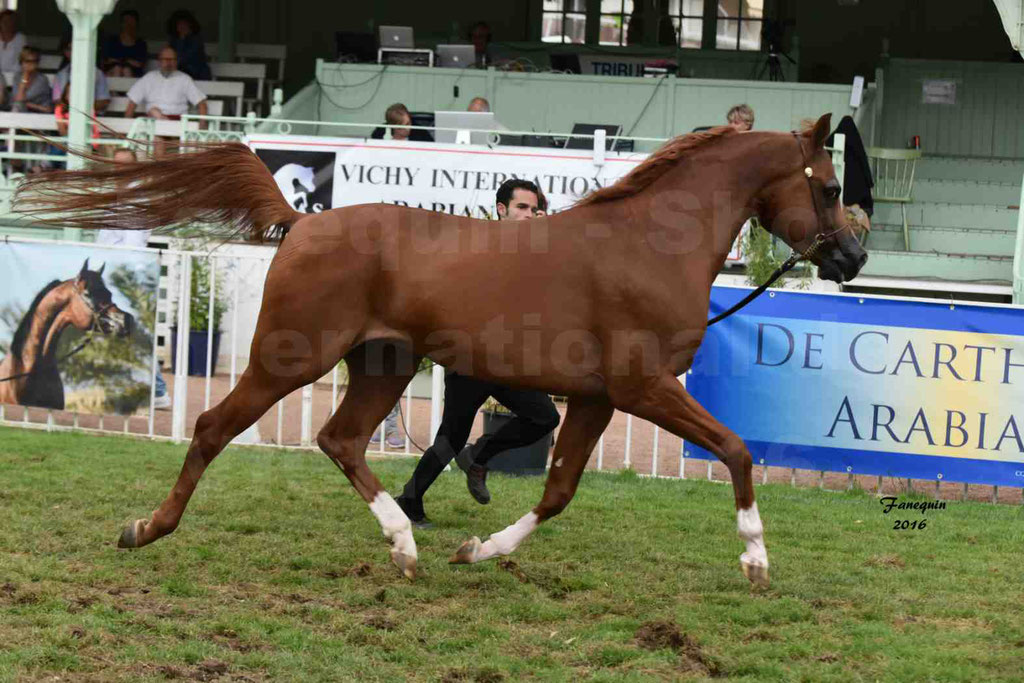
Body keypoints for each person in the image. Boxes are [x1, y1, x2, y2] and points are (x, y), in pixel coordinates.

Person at [395, 179, 561, 528]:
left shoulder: (535, 250)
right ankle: (409, 501)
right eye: (522, 208)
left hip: (505, 362)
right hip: (470, 358)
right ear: (502, 210)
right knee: (450, 437)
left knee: (544, 418)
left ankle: (479, 455)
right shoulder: (484, 244)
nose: (529, 215)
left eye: (534, 210)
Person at [93, 148, 173, 409]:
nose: (118, 169)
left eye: (124, 165)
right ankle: (144, 389)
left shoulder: (137, 197)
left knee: (130, 332)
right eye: (114, 164)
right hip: (109, 271)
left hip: (126, 274)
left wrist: (121, 278)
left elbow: (133, 242)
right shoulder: (114, 194)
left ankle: (157, 390)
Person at [125, 46, 208, 155]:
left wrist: (202, 125)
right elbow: (132, 102)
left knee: (158, 135)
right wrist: (126, 126)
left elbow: (201, 103)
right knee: (156, 134)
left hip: (177, 123)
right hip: (152, 122)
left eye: (172, 60)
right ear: (159, 61)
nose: (169, 63)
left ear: (176, 61)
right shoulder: (149, 78)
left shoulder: (184, 79)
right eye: (165, 59)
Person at [52, 35, 111, 114]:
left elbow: (104, 101)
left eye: (76, 48)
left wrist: (82, 109)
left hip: (90, 117)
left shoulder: (97, 73)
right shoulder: (60, 75)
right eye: (68, 49)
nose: (72, 52)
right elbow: (57, 101)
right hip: (66, 117)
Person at [166, 9, 211, 81]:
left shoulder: (196, 39)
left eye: (184, 23)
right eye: (179, 24)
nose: (181, 26)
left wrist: (182, 39)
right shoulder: (174, 41)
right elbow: (170, 56)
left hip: (197, 75)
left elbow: (186, 58)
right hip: (178, 76)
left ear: (190, 24)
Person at [103, 9, 148, 77]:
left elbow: (140, 64)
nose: (128, 25)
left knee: (127, 70)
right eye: (126, 21)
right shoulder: (112, 41)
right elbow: (106, 61)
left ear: (136, 24)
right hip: (112, 73)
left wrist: (120, 61)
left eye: (131, 22)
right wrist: (127, 61)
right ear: (121, 24)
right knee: (117, 69)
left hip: (133, 75)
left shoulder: (141, 44)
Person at [370, 102, 434, 142]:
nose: (407, 129)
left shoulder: (421, 134)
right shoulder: (379, 134)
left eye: (408, 123)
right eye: (401, 127)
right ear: (391, 125)